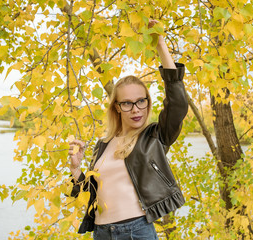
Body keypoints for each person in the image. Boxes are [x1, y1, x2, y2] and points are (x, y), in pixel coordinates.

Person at [68, 19, 188, 240]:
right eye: (127, 103)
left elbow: (178, 104)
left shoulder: (154, 136)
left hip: (136, 231)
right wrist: (76, 170)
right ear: (117, 107)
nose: (136, 109)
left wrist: (161, 45)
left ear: (147, 102)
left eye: (141, 101)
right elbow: (91, 195)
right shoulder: (103, 144)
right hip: (102, 233)